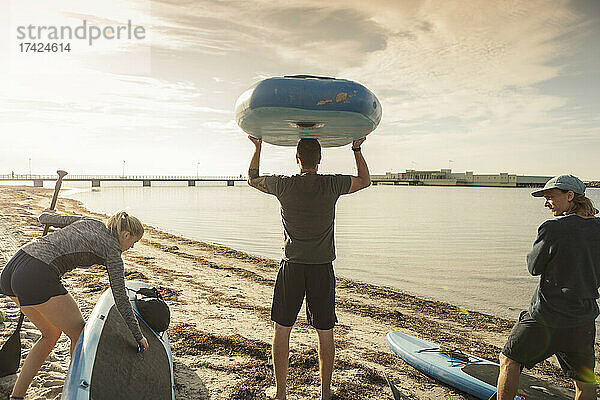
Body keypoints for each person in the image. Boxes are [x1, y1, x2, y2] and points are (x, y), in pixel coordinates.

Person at [247, 136, 371, 400]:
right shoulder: (331, 183)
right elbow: (364, 180)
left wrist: (257, 148)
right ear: (320, 160)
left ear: (297, 159)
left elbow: (252, 178)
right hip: (321, 269)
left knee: (282, 329)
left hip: (291, 267)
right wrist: (356, 149)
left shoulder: (284, 184)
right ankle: (325, 394)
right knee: (325, 331)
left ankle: (281, 393)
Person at [0, 210, 149, 399]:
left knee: (50, 334)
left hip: (14, 266)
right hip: (37, 274)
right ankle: (75, 393)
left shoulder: (92, 221)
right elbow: (121, 298)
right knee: (80, 335)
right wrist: (138, 335)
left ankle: (17, 396)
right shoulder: (113, 252)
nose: (132, 247)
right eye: (133, 242)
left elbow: (44, 218)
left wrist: (49, 214)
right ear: (125, 234)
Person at [496, 175, 600, 400]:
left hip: (546, 317)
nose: (546, 203)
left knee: (509, 361)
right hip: (583, 320)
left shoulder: (553, 228)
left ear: (570, 196)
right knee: (584, 382)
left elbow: (534, 267)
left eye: (550, 197)